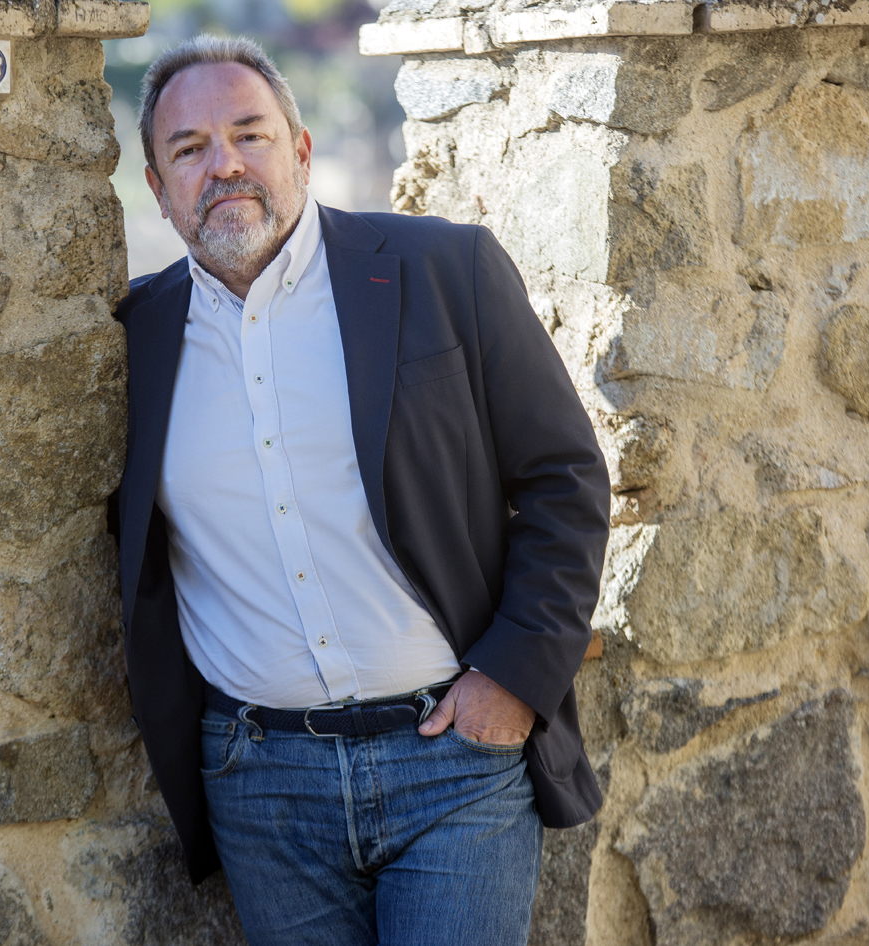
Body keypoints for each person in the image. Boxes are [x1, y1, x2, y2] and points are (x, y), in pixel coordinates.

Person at [111, 34, 610, 945]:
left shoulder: (440, 269)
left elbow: (562, 477)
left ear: (299, 151)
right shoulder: (136, 337)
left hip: (453, 766)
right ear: (155, 187)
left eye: (249, 134)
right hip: (262, 789)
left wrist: (513, 678)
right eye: (187, 149)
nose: (222, 164)